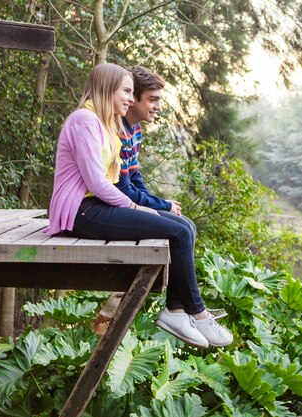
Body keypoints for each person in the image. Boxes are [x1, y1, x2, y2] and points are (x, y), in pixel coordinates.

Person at [45, 63, 232, 348]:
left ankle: (177, 310)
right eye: (127, 91)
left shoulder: (104, 124)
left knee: (184, 226)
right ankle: (198, 312)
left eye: (133, 93)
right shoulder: (84, 120)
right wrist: (136, 208)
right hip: (82, 212)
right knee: (178, 232)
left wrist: (151, 207)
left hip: (97, 206)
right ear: (108, 88)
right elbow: (97, 183)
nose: (131, 99)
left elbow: (127, 178)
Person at [115, 65, 196, 248]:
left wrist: (155, 204)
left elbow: (135, 177)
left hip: (128, 203)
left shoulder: (135, 129)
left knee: (188, 225)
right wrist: (162, 205)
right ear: (133, 99)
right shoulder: (118, 132)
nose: (158, 107)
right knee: (181, 230)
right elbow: (124, 189)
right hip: (115, 207)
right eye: (153, 100)